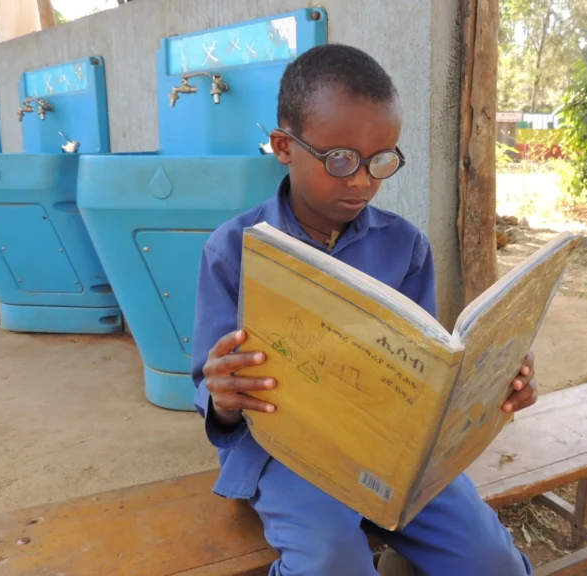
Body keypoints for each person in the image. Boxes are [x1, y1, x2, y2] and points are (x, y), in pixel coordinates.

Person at [191, 43, 538, 576]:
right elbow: (211, 394)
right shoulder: (232, 249)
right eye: (340, 159)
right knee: (333, 561)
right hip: (286, 452)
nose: (361, 180)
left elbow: (423, 367)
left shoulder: (406, 246)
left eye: (381, 161)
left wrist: (491, 384)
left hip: (391, 453)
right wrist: (224, 397)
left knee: (493, 562)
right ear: (284, 146)